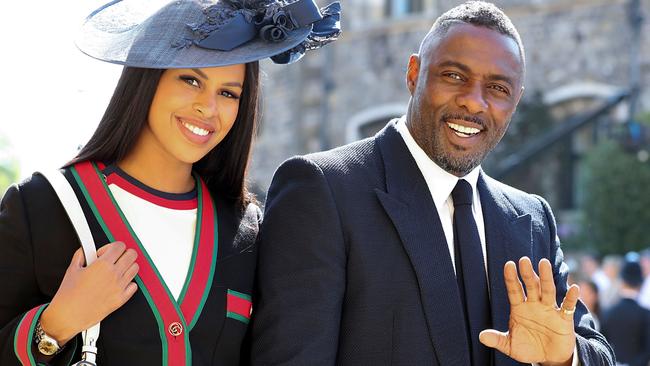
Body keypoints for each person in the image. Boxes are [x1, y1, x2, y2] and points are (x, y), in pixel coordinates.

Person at [250, 1, 613, 365]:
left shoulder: (532, 220)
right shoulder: (323, 190)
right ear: (413, 74)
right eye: (454, 76)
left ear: (515, 100)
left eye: (498, 88)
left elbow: (600, 354)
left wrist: (566, 356)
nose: (474, 102)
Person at [0, 0, 340, 365]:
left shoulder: (248, 231)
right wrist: (56, 325)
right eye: (191, 80)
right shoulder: (42, 207)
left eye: (228, 93)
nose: (208, 108)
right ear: (148, 79)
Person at [600, 256, 650, 366]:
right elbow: (647, 350)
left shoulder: (608, 312)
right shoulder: (646, 314)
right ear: (640, 284)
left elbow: (602, 345)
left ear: (622, 282)